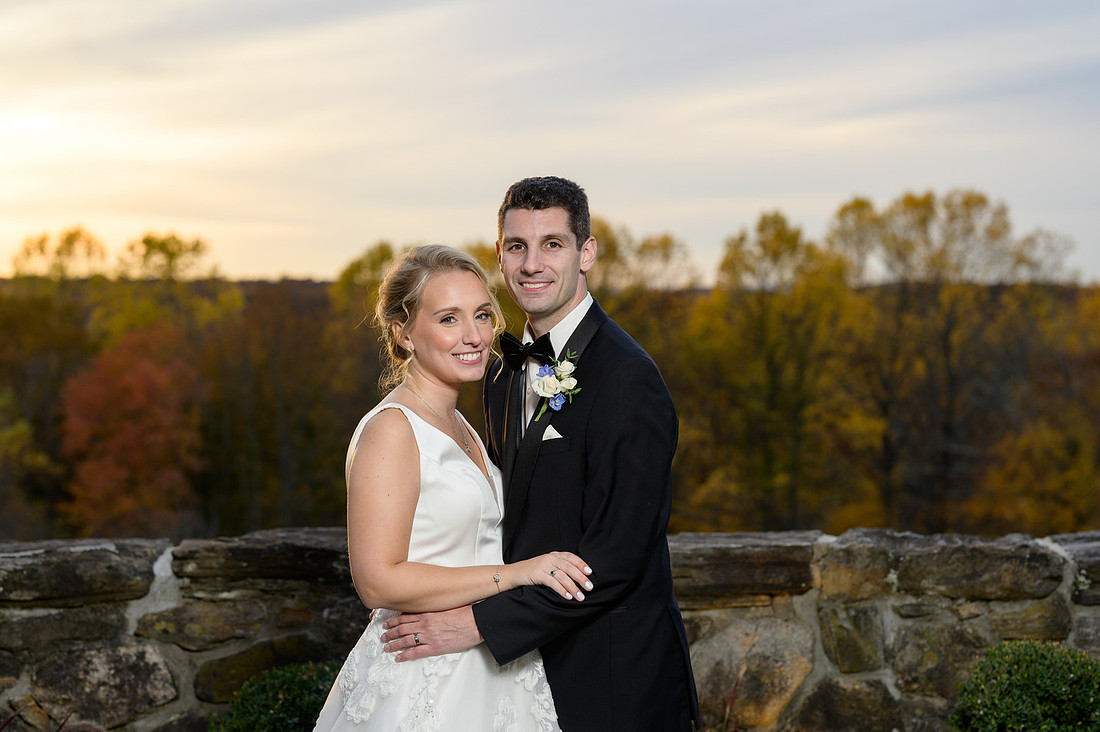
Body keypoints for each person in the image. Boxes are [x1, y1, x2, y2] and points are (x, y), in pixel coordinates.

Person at [381, 177, 701, 731]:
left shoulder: (629, 380)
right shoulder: (499, 373)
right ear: (500, 256)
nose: (532, 264)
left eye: (552, 244)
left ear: (586, 253)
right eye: (517, 246)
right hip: (520, 679)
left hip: (613, 679)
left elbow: (617, 559)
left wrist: (480, 624)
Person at [313, 244, 594, 731]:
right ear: (403, 333)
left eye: (482, 315)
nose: (474, 335)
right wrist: (517, 574)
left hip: (492, 659)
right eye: (449, 319)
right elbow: (376, 581)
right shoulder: (393, 429)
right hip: (424, 676)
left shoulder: (462, 424)